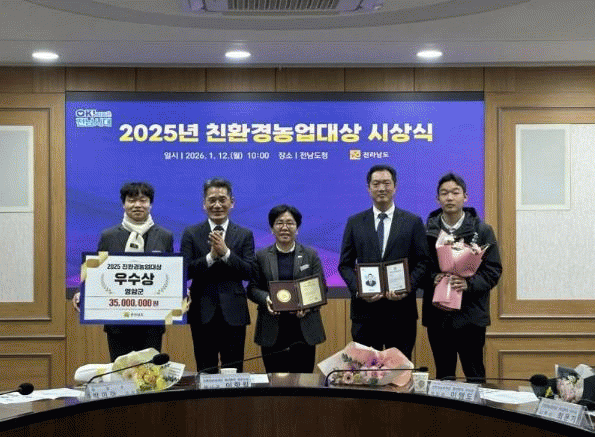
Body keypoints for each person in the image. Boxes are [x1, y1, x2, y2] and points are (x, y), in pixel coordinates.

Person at [72, 182, 174, 361]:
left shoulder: (165, 236)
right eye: (131, 200)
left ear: (150, 204)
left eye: (143, 200)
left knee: (150, 372)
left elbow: (171, 273)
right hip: (117, 323)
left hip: (152, 322)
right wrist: (84, 292)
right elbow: (98, 272)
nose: (137, 205)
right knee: (120, 371)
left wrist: (180, 289)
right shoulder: (109, 236)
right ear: (123, 204)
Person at [338, 164, 430, 359]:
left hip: (401, 313)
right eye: (376, 183)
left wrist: (407, 287)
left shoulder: (412, 222)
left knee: (398, 371)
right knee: (365, 370)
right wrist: (359, 290)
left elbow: (423, 261)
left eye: (386, 183)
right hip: (365, 313)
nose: (381, 188)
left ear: (395, 187)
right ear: (368, 188)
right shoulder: (355, 222)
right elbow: (344, 265)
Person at [422, 173, 502, 382]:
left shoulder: (482, 230)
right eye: (444, 193)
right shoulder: (427, 231)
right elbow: (419, 267)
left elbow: (493, 270)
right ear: (437, 199)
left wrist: (469, 284)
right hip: (438, 316)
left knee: (475, 374)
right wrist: (433, 278)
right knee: (443, 375)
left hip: (471, 315)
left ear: (465, 197)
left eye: (455, 192)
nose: (449, 197)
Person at [180, 178, 255, 372]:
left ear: (232, 202)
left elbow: (249, 272)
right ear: (204, 204)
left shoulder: (244, 234)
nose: (217, 205)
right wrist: (211, 257)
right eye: (212, 200)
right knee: (205, 370)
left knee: (234, 370)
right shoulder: (191, 233)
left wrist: (226, 253)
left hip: (234, 312)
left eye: (222, 199)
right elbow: (184, 271)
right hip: (201, 311)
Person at [248, 205, 327, 373]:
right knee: (275, 381)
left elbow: (321, 288)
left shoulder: (310, 254)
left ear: (297, 228)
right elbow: (252, 289)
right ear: (272, 228)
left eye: (290, 223)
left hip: (303, 329)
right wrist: (267, 299)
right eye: (279, 223)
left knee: (303, 381)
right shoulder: (261, 256)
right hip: (272, 329)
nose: (284, 227)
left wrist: (307, 305)